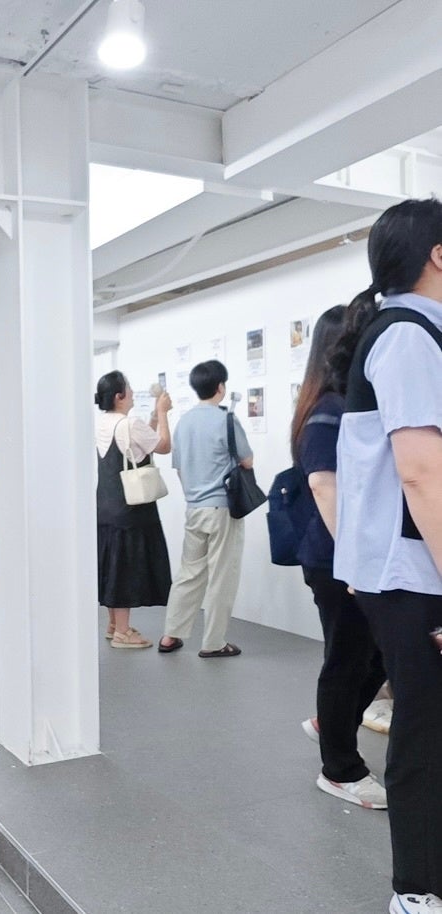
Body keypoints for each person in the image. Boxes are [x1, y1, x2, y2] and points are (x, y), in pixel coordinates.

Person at [331, 198, 442, 914]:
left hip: (410, 566)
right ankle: (416, 891)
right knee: (426, 732)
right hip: (416, 572)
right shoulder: (406, 335)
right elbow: (421, 473)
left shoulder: (408, 331)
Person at [289, 305, 387, 809]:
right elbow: (324, 487)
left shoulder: (339, 404)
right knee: (348, 659)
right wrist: (353, 563)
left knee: (372, 655)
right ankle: (340, 770)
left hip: (347, 557)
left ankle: (331, 724)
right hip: (335, 561)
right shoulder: (328, 410)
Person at [159, 360, 248, 657]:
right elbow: (247, 461)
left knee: (189, 573)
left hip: (194, 507)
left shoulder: (184, 422)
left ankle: (171, 635)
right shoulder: (226, 420)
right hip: (222, 508)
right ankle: (213, 643)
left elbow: (179, 467)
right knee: (222, 576)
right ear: (220, 387)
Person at [95, 372, 173, 650]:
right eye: (128, 388)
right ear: (119, 396)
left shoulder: (104, 423)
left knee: (112, 565)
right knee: (125, 568)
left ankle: (113, 624)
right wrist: (162, 413)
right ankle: (123, 632)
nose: (131, 392)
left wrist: (152, 418)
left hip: (105, 504)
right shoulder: (129, 423)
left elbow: (138, 446)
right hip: (130, 508)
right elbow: (163, 446)